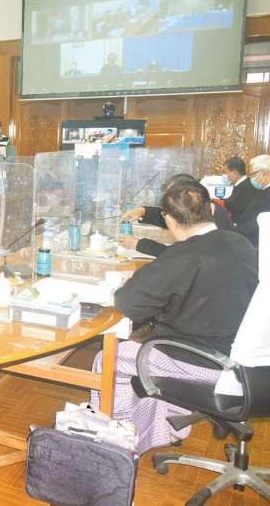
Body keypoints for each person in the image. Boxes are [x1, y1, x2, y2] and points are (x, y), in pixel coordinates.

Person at [93, 180, 258, 454]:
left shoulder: (183, 254)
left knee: (110, 358)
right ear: (210, 210)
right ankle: (161, 428)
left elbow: (129, 303)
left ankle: (116, 442)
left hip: (207, 362)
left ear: (169, 220)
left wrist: (133, 283)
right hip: (248, 360)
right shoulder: (240, 243)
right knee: (151, 348)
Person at [120, 173, 233, 257]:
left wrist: (139, 244)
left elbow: (182, 256)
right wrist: (143, 211)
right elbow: (176, 217)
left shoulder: (216, 223)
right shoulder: (202, 209)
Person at [234, 154, 270, 247]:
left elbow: (261, 222)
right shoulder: (263, 191)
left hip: (257, 243)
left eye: (253, 174)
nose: (251, 178)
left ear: (265, 173)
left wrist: (237, 228)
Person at [223, 156, 258, 221]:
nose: (226, 176)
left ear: (235, 172)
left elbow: (233, 205)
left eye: (226, 172)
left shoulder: (246, 187)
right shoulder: (242, 184)